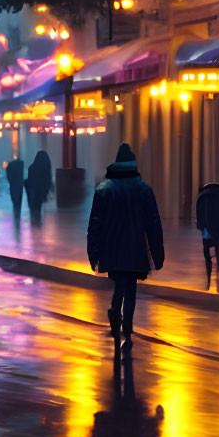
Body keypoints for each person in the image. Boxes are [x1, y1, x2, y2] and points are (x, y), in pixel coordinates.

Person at [86, 142, 164, 356]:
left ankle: (114, 312)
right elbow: (153, 223)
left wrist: (93, 253)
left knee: (119, 284)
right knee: (130, 289)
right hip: (135, 248)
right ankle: (127, 331)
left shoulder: (104, 189)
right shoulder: (143, 189)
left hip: (112, 248)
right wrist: (158, 254)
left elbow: (94, 224)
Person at [195, 180, 219, 280]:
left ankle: (209, 268)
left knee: (207, 249)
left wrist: (200, 226)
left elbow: (200, 215)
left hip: (207, 228)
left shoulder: (202, 197)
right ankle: (218, 265)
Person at [25, 149, 53, 226]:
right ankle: (37, 222)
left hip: (33, 190)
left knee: (33, 206)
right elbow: (48, 180)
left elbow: (30, 180)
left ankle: (34, 222)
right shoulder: (46, 168)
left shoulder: (32, 167)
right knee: (38, 206)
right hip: (41, 191)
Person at [4, 155, 26, 222]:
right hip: (19, 184)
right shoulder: (21, 164)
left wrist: (10, 180)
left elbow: (7, 174)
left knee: (14, 200)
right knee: (19, 200)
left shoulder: (10, 165)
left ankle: (16, 214)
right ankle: (17, 215)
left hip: (13, 184)